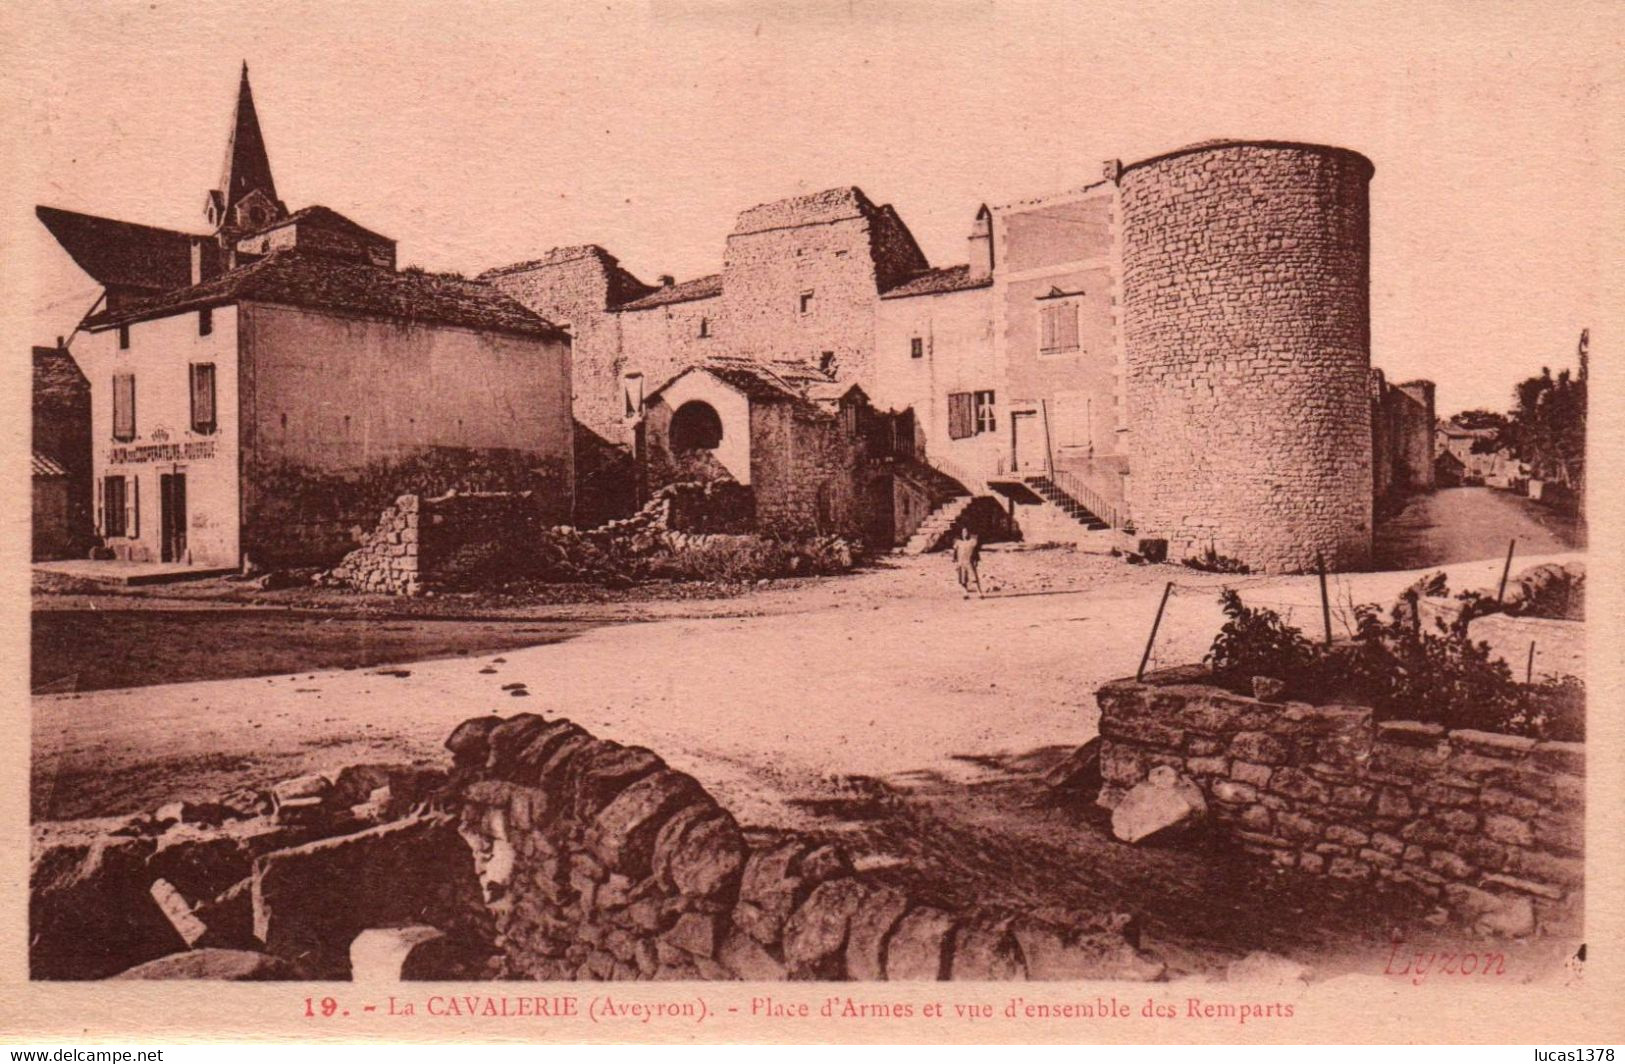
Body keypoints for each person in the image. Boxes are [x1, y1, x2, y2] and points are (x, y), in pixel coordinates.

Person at [952, 525, 983, 598]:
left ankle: (979, 592)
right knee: (963, 579)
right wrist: (956, 562)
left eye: (966, 532)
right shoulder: (958, 542)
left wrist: (976, 561)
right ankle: (965, 593)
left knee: (974, 578)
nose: (965, 533)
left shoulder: (972, 542)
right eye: (963, 532)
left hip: (970, 562)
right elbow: (955, 553)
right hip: (961, 562)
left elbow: (976, 552)